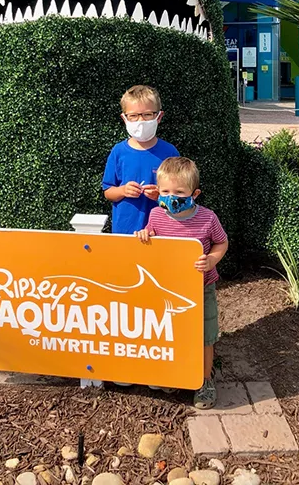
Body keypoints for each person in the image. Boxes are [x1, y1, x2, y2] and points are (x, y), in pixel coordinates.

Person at [136, 156, 228, 409]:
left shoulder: (208, 218)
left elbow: (222, 242)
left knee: (204, 337)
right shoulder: (155, 215)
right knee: (171, 333)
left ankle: (204, 380)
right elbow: (151, 243)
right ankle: (175, 373)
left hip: (201, 289)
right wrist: (145, 235)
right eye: (165, 191)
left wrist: (212, 260)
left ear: (194, 193)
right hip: (169, 289)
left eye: (179, 192)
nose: (170, 197)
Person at [102, 85, 179, 235]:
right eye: (134, 116)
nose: (140, 120)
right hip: (125, 231)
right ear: (125, 118)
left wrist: (161, 196)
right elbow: (108, 191)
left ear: (159, 116)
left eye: (147, 114)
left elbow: (181, 194)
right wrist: (123, 190)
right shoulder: (118, 151)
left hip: (162, 232)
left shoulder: (170, 152)